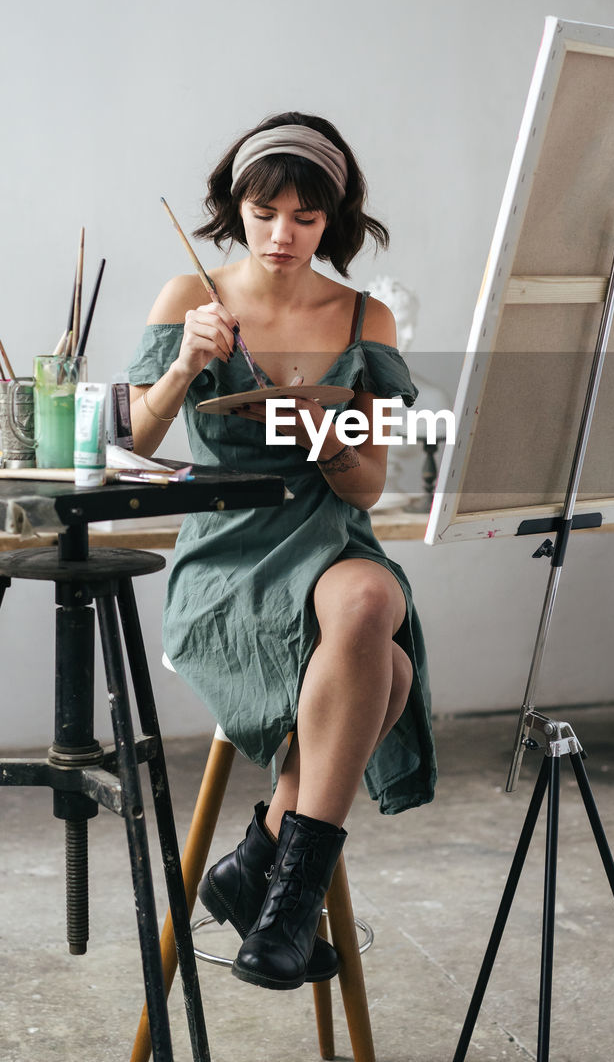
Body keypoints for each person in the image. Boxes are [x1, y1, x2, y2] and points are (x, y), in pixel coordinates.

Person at [127, 111, 436, 992]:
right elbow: (140, 446)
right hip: (225, 549)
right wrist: (184, 368)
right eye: (266, 213)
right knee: (395, 676)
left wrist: (327, 438)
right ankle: (264, 884)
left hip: (325, 533)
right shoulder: (189, 295)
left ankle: (280, 898)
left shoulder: (361, 314)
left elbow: (368, 486)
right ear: (238, 206)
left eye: (304, 217)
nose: (282, 234)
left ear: (331, 220)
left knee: (372, 603)